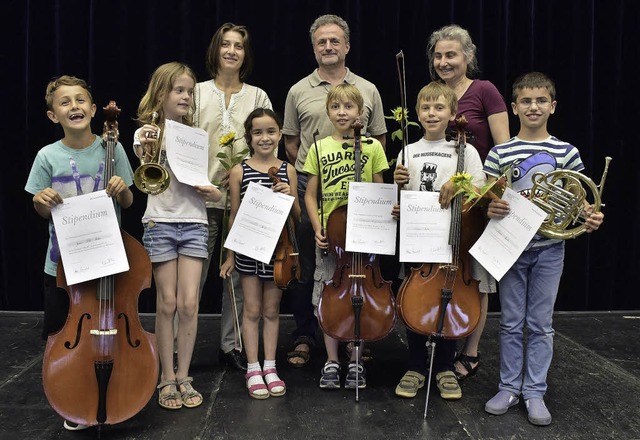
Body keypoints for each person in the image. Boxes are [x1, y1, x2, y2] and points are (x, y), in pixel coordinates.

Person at [483, 72, 604, 425]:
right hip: (511, 247)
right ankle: (508, 387)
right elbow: (488, 200)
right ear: (514, 107)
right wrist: (492, 207)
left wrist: (588, 216)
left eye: (540, 101)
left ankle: (534, 391)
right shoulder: (499, 152)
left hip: (550, 247)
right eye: (526, 101)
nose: (533, 107)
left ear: (552, 106)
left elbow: (578, 197)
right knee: (509, 322)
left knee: (540, 324)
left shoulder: (566, 151)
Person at [25, 75, 134, 430]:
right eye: (65, 102)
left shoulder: (112, 147)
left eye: (81, 100)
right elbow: (40, 207)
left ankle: (115, 390)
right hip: (62, 266)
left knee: (109, 327)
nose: (75, 106)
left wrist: (120, 190)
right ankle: (72, 395)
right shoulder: (47, 156)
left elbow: (129, 201)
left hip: (106, 261)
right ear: (52, 115)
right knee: (63, 334)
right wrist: (41, 200)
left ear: (92, 107)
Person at [283, 14, 387, 367]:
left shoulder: (367, 88)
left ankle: (356, 333)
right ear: (314, 49)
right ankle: (305, 334)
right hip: (315, 187)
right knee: (310, 267)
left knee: (357, 266)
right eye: (321, 42)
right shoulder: (299, 90)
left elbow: (379, 142)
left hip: (361, 194)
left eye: (334, 41)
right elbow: (292, 143)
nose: (328, 47)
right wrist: (320, 170)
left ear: (346, 46)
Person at [134, 62, 222, 410]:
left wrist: (214, 193)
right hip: (160, 221)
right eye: (178, 90)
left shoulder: (197, 135)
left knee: (189, 304)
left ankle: (183, 375)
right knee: (166, 303)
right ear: (161, 93)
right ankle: (165, 377)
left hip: (195, 222)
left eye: (189, 91)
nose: (185, 96)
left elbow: (202, 179)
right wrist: (150, 144)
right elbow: (144, 167)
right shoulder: (147, 133)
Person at [427, 24, 511, 380]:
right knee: (441, 273)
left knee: (476, 277)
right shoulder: (432, 95)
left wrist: (481, 194)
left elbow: (505, 152)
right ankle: (439, 340)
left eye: (451, 55)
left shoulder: (485, 90)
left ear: (468, 57)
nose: (444, 62)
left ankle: (472, 350)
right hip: (440, 204)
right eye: (438, 55)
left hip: (476, 200)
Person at [392, 81, 486, 401]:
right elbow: (402, 201)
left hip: (451, 244)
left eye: (439, 107)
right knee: (415, 299)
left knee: (449, 298)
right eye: (426, 107)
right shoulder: (408, 151)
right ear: (417, 113)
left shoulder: (465, 151)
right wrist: (397, 194)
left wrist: (458, 182)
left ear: (453, 113)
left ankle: (445, 366)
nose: (432, 113)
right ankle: (417, 366)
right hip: (418, 243)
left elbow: (479, 193)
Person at [194, 23, 273, 372]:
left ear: (245, 53)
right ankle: (184, 348)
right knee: (191, 282)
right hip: (198, 200)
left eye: (238, 46)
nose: (231, 51)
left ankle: (233, 345)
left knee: (240, 281)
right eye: (225, 44)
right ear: (215, 50)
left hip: (245, 204)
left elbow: (266, 147)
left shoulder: (257, 97)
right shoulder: (195, 93)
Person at [303, 83, 389, 389]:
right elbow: (310, 196)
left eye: (348, 107)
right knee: (328, 295)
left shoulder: (372, 148)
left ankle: (356, 361)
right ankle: (331, 360)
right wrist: (317, 228)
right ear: (328, 111)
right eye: (336, 107)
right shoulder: (319, 147)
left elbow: (381, 191)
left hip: (364, 238)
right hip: (332, 240)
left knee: (360, 298)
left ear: (360, 113)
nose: (342, 112)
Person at [220, 108, 301, 399]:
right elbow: (234, 217)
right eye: (258, 132)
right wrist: (229, 256)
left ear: (279, 134)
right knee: (251, 310)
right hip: (248, 251)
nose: (265, 138)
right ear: (249, 137)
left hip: (279, 252)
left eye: (270, 131)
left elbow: (297, 216)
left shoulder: (288, 170)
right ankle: (252, 367)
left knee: (271, 311)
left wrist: (288, 196)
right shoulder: (239, 170)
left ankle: (270, 366)